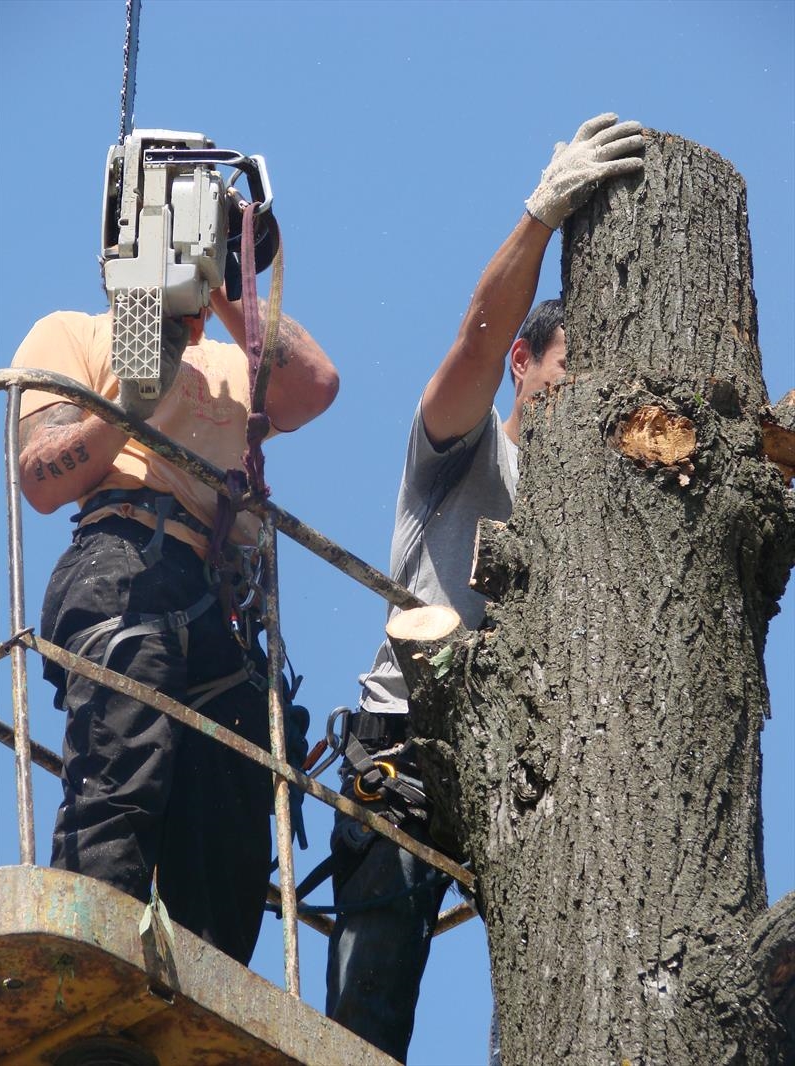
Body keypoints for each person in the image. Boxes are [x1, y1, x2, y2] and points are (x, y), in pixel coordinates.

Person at [325, 112, 644, 1063]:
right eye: (563, 374)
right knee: (369, 1014)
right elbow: (474, 335)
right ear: (524, 363)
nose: (575, 399)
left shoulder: (582, 522)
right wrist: (540, 217)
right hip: (404, 749)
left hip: (508, 778)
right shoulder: (463, 453)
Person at [12, 286, 339, 965]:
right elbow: (42, 479)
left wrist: (223, 286)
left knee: (231, 822)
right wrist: (131, 402)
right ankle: (88, 968)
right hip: (124, 562)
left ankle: (201, 1003)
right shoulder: (73, 333)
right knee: (123, 769)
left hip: (222, 604)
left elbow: (313, 387)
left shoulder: (230, 363)